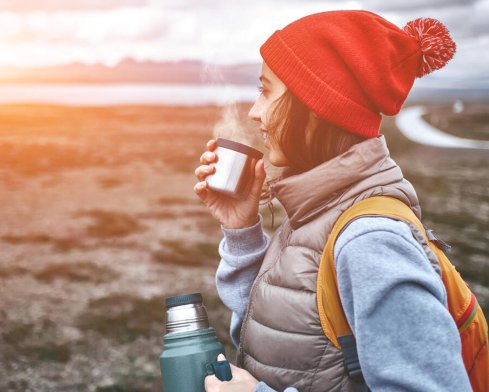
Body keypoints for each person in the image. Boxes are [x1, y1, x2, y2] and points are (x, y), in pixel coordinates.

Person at [194, 10, 471, 392]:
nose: (255, 113)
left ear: (314, 107)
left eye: (266, 91)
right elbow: (281, 333)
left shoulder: (370, 243)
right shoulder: (316, 213)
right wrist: (241, 230)